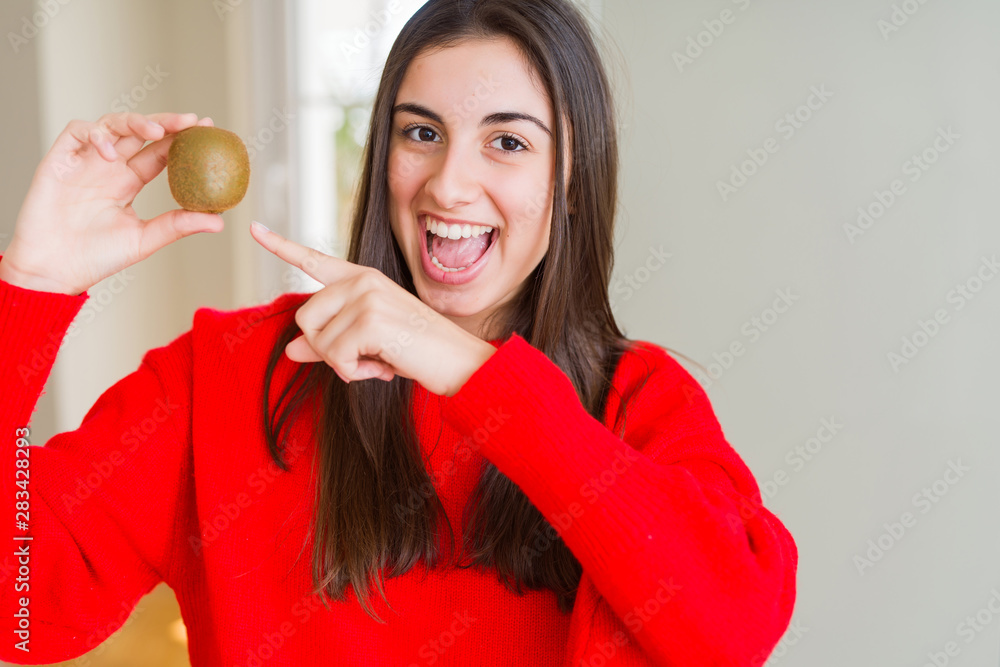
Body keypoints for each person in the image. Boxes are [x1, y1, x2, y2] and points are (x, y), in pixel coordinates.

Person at [0, 0, 797, 664]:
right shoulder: (231, 375)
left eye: (508, 141)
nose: (449, 182)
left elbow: (730, 630)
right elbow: (19, 607)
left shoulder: (636, 402)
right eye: (421, 133)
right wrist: (28, 289)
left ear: (572, 184)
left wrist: (472, 373)